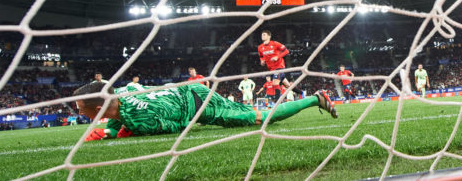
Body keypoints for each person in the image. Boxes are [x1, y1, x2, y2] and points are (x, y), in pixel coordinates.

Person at [74, 80, 337, 140]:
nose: (81, 114)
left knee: (257, 118)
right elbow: (121, 106)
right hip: (184, 89)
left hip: (198, 104)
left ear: (98, 108)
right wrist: (111, 129)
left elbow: (177, 127)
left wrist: (126, 130)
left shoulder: (141, 120)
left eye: (82, 109)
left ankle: (315, 98)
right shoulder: (121, 91)